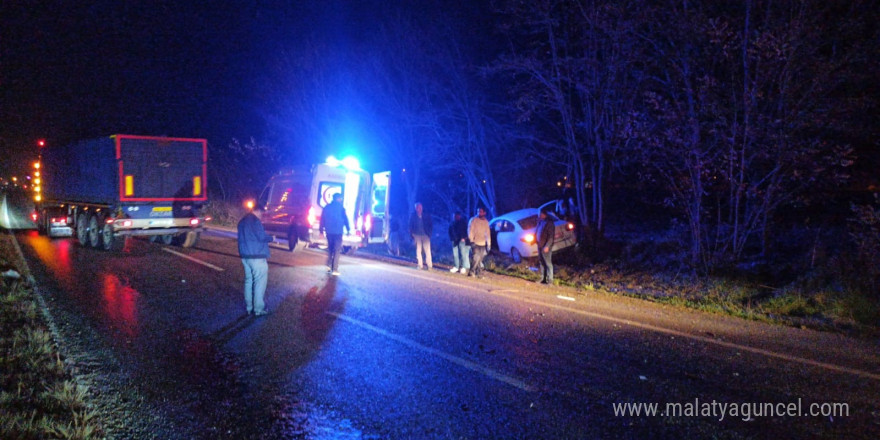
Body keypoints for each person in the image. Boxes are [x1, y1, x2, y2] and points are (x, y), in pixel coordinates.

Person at [237, 206, 274, 316]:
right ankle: (258, 308)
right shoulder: (255, 221)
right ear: (257, 211)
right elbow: (261, 237)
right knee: (259, 282)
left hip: (245, 256)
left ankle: (249, 307)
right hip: (257, 256)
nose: (261, 216)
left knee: (249, 281)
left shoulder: (242, 221)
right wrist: (272, 238)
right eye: (261, 214)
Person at [320, 192, 350, 276]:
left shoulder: (327, 207)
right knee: (337, 250)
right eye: (340, 198)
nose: (341, 199)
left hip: (329, 231)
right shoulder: (341, 208)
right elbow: (345, 219)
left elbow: (322, 219)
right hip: (338, 232)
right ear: (338, 199)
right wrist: (348, 229)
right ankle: (335, 269)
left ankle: (329, 265)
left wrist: (321, 230)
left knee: (330, 248)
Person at [467, 206, 491, 278]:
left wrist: (488, 244)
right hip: (475, 242)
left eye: (480, 211)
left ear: (484, 213)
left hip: (483, 243)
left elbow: (487, 233)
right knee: (475, 257)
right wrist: (471, 240)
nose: (479, 213)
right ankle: (472, 271)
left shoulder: (486, 222)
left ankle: (478, 272)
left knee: (480, 258)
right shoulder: (474, 220)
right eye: (478, 211)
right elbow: (470, 230)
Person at [409, 202, 433, 270]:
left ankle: (429, 265)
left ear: (422, 207)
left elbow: (430, 224)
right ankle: (420, 265)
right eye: (417, 207)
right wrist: (411, 234)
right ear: (415, 208)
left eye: (419, 207)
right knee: (418, 250)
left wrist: (429, 234)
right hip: (416, 235)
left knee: (427, 250)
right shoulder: (413, 215)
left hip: (425, 234)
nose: (418, 209)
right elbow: (410, 225)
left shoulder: (426, 215)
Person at [536, 208, 556, 284]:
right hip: (540, 245)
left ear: (544, 214)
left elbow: (551, 237)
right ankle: (543, 279)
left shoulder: (549, 223)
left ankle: (550, 280)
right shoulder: (540, 222)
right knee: (542, 262)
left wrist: (547, 246)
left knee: (548, 263)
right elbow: (537, 231)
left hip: (545, 246)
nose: (539, 216)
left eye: (541, 214)